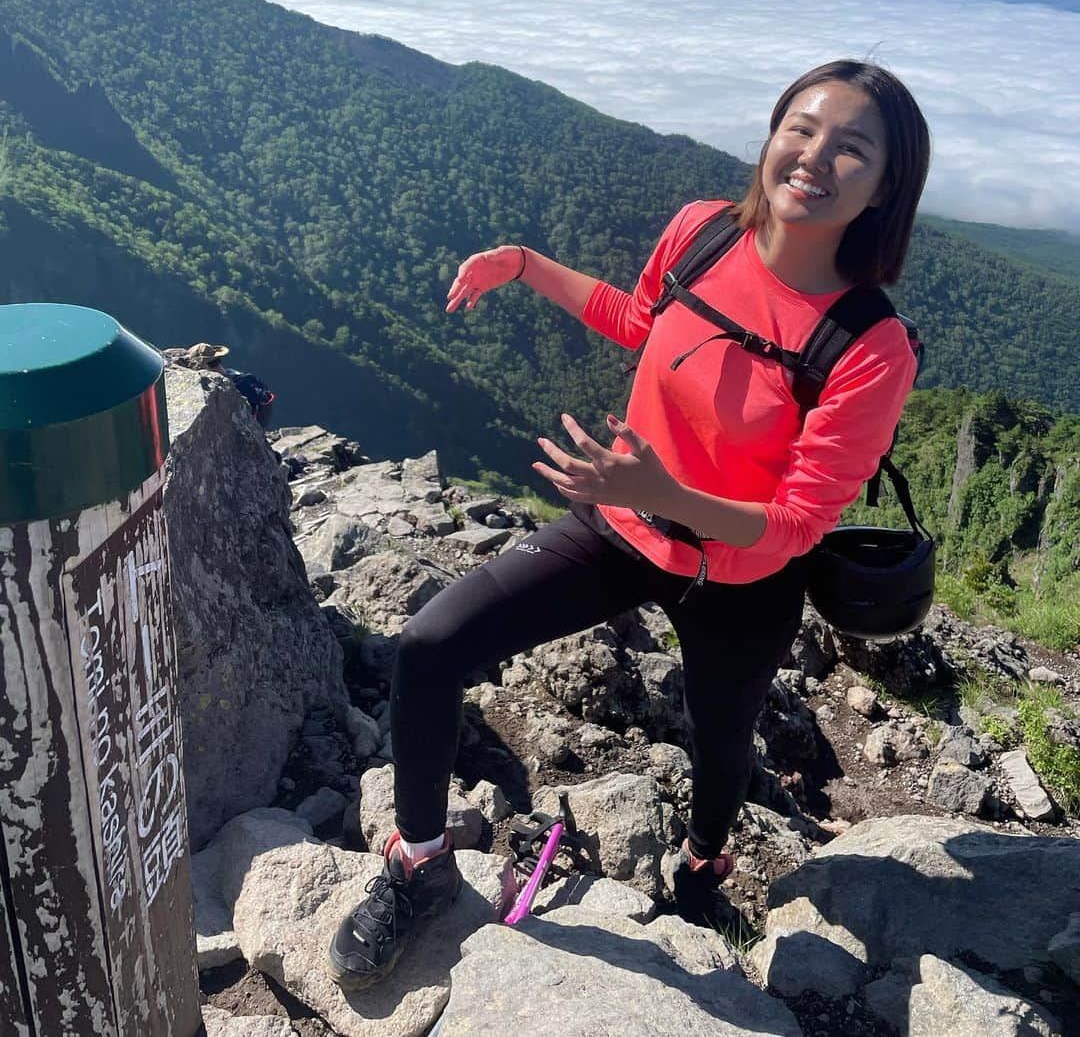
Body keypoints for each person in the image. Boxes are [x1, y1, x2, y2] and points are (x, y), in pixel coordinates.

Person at [327, 58, 931, 991]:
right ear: (771, 134)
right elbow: (643, 318)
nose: (815, 157)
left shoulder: (868, 346)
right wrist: (524, 266)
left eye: (852, 149)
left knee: (721, 742)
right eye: (801, 129)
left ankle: (703, 865)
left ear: (886, 186)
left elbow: (798, 525)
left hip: (742, 575)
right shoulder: (701, 232)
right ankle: (419, 863)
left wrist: (665, 492)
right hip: (623, 522)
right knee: (430, 644)